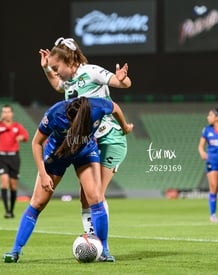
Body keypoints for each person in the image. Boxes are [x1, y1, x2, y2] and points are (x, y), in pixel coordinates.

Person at [2, 97, 133, 263]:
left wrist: (125, 127)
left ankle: (104, 251)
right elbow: (36, 143)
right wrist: (43, 174)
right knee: (38, 203)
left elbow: (115, 107)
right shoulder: (55, 113)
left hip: (85, 153)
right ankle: (15, 251)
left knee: (95, 197)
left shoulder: (98, 107)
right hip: (57, 155)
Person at [39, 37, 132, 235]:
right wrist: (46, 69)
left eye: (56, 67)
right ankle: (92, 238)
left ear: (69, 61)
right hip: (90, 141)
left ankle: (99, 242)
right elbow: (57, 85)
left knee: (95, 195)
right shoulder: (68, 81)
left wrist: (122, 79)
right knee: (85, 196)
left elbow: (122, 83)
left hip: (109, 137)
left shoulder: (90, 72)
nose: (55, 72)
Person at [0, 104, 29, 219]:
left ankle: (11, 209)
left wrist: (21, 138)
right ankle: (6, 211)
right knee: (4, 181)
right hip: (2, 157)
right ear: (2, 114)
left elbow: (26, 136)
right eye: (4, 112)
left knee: (13, 185)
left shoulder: (17, 126)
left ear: (12, 113)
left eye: (8, 112)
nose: (6, 114)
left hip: (14, 157)